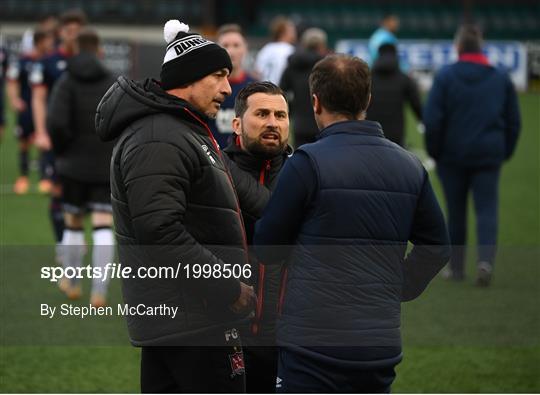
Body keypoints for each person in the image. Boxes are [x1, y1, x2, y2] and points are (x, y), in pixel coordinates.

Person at [253, 54, 451, 393]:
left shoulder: (307, 163)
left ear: (314, 103)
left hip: (311, 345)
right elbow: (438, 247)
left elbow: (267, 248)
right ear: (368, 100)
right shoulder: (409, 166)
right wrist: (398, 285)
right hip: (377, 345)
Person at [96, 20, 259, 393]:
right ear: (188, 76)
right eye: (218, 75)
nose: (227, 87)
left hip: (187, 321)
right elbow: (159, 231)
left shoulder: (179, 129)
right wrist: (227, 287)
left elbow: (242, 197)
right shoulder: (159, 136)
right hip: (193, 322)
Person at [423, 24, 521, 286]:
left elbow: (432, 121)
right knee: (487, 209)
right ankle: (485, 262)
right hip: (488, 154)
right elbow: (514, 121)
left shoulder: (445, 76)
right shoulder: (500, 77)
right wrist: (504, 151)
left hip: (452, 155)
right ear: (481, 47)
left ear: (457, 47)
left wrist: (435, 151)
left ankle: (456, 268)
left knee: (455, 212)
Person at [224, 81, 291, 393]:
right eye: (262, 114)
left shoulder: (303, 176)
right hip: (225, 336)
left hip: (287, 340)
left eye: (280, 115)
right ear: (237, 123)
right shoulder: (214, 175)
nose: (272, 123)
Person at [47, 28, 117, 306]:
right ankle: (99, 291)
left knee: (73, 223)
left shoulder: (67, 81)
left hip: (73, 165)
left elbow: (56, 123)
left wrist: (63, 152)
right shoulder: (114, 81)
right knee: (103, 225)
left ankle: (72, 282)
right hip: (104, 165)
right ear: (99, 51)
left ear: (75, 51)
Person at [31, 9, 87, 261]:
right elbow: (38, 98)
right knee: (56, 191)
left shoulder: (89, 60)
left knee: (83, 191)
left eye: (77, 30)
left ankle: (74, 234)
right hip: (56, 137)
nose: (72, 34)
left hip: (85, 139)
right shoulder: (47, 63)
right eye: (68, 29)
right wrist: (41, 132)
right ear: (60, 32)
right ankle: (63, 242)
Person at [7, 28, 55, 194]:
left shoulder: (50, 61)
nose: (51, 43)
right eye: (48, 40)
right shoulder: (23, 61)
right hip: (27, 109)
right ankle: (23, 177)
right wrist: (14, 100)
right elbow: (12, 80)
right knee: (24, 143)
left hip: (43, 109)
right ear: (40, 41)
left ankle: (45, 178)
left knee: (44, 142)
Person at [208, 23, 257, 148]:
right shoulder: (206, 86)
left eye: (236, 45)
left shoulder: (256, 88)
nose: (231, 51)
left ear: (245, 48)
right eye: (225, 45)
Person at [280, 27, 328, 148]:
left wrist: (290, 109)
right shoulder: (326, 66)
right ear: (322, 46)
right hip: (323, 122)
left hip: (299, 123)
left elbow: (282, 91)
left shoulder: (293, 64)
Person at [367, 43, 422, 146]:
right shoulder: (404, 79)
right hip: (396, 138)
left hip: (371, 134)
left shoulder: (367, 79)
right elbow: (417, 105)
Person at [255, 16, 297, 84]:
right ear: (282, 33)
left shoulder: (266, 49)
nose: (294, 33)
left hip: (263, 89)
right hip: (280, 90)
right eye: (291, 30)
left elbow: (257, 73)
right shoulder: (290, 50)